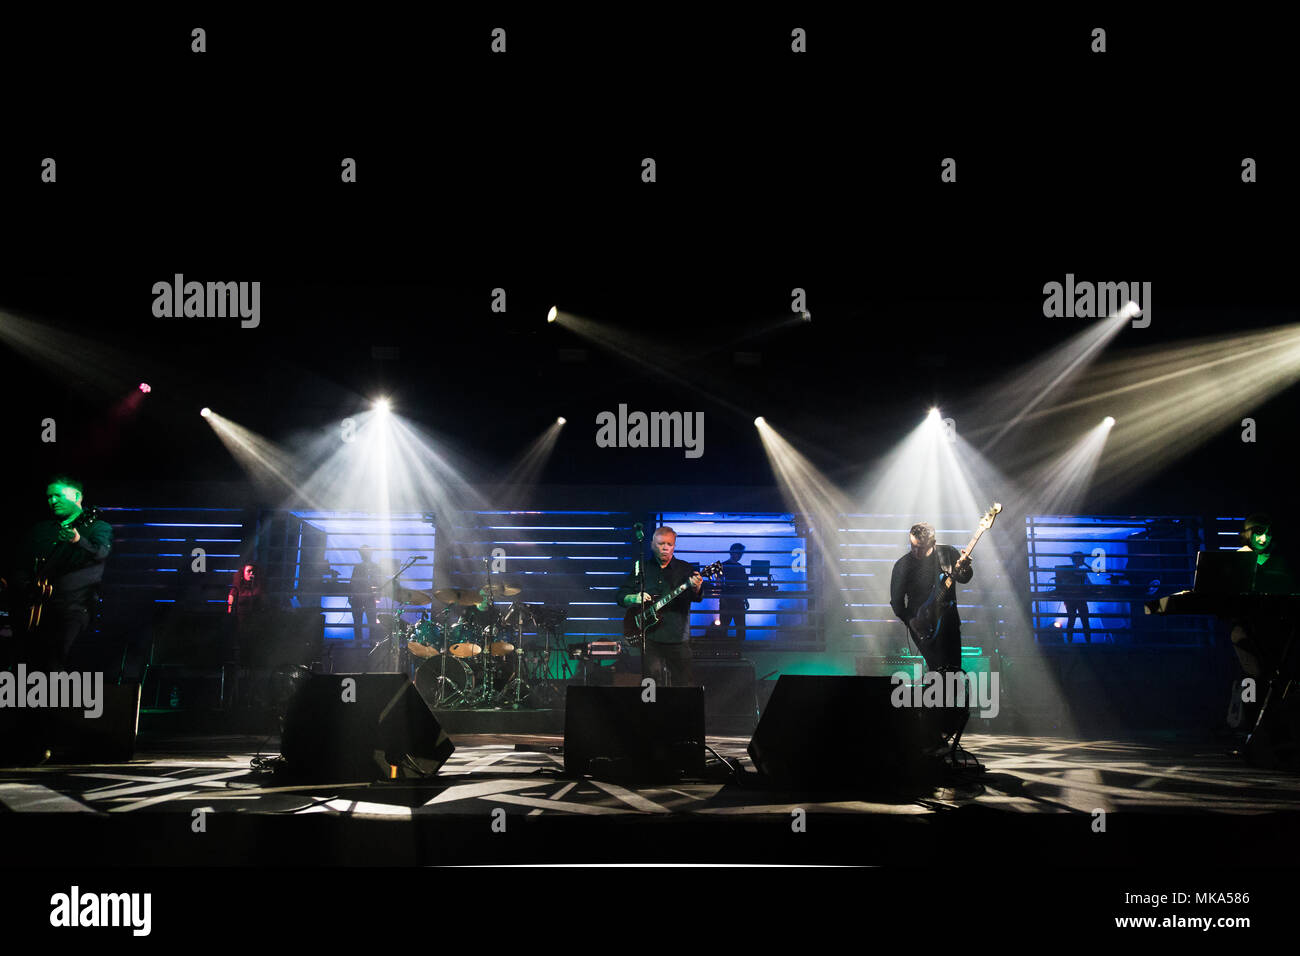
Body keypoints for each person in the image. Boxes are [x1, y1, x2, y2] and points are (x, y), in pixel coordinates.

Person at [13, 476, 113, 671]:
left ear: (77, 496)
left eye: (58, 495)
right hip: (35, 608)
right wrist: (25, 587)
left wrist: (78, 540)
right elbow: (21, 564)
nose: (53, 501)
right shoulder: (41, 530)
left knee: (57, 660)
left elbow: (101, 552)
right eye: (49, 497)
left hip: (73, 608)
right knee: (26, 662)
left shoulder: (97, 527)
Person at [620, 526, 703, 687]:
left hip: (678, 637)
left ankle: (681, 713)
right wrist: (633, 597)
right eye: (661, 544)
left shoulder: (685, 569)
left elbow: (697, 598)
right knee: (649, 684)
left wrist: (697, 587)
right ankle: (649, 711)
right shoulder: (641, 568)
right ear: (652, 544)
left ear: (674, 546)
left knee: (684, 684)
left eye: (669, 544)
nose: (665, 547)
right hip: (650, 639)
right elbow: (620, 596)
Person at [889, 521, 972, 672]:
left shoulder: (947, 554)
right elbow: (896, 602)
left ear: (933, 542)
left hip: (949, 621)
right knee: (937, 669)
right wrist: (911, 621)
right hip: (922, 624)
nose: (916, 551)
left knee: (953, 669)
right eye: (912, 546)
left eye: (921, 548)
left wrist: (965, 568)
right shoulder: (902, 566)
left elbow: (964, 578)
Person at [1053, 551, 1093, 643]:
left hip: (1074, 599)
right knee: (1082, 620)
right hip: (1075, 599)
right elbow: (1089, 585)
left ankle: (1071, 643)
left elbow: (1089, 584)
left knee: (1076, 620)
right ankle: (1086, 643)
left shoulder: (1080, 572)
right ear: (1076, 559)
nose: (1083, 560)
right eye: (1081, 558)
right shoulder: (1070, 572)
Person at [349, 545, 382, 646]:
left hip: (362, 597)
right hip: (365, 597)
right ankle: (370, 643)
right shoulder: (372, 567)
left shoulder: (359, 567)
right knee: (368, 621)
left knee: (361, 622)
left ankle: (361, 643)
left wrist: (350, 596)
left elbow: (352, 583)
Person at [718, 543, 749, 639]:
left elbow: (744, 585)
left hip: (734, 601)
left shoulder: (737, 567)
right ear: (732, 552)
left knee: (730, 628)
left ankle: (726, 650)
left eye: (740, 554)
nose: (739, 555)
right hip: (730, 601)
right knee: (737, 627)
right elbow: (719, 583)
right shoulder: (738, 567)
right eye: (738, 553)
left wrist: (745, 599)